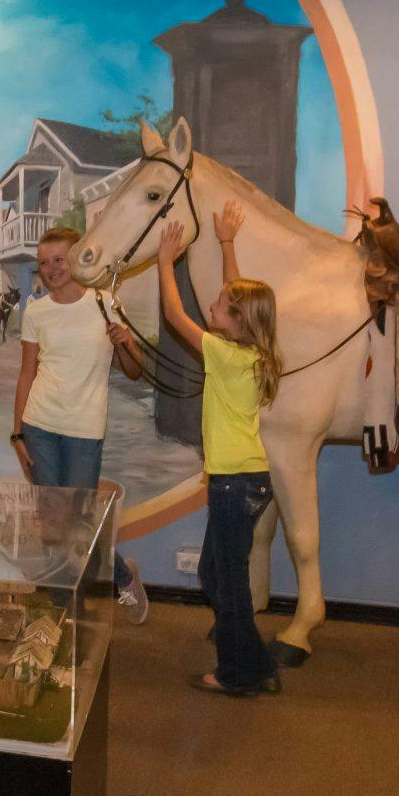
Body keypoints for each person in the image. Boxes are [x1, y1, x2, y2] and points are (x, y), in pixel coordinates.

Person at [156, 202, 283, 695]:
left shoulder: (226, 356)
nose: (211, 304)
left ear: (234, 320)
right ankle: (252, 662)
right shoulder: (249, 350)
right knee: (217, 572)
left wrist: (166, 260)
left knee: (227, 582)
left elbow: (173, 312)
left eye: (219, 305)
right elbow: (238, 297)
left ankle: (242, 672)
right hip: (246, 481)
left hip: (234, 485)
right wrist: (227, 243)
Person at [10, 225, 150, 623]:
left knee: (81, 521)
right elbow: (25, 375)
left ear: (75, 259)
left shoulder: (106, 303)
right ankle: (60, 608)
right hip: (40, 424)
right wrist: (17, 432)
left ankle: (123, 576)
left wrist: (125, 341)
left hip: (85, 429)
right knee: (53, 524)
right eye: (43, 263)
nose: (52, 269)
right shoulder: (36, 310)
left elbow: (135, 372)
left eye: (59, 260)